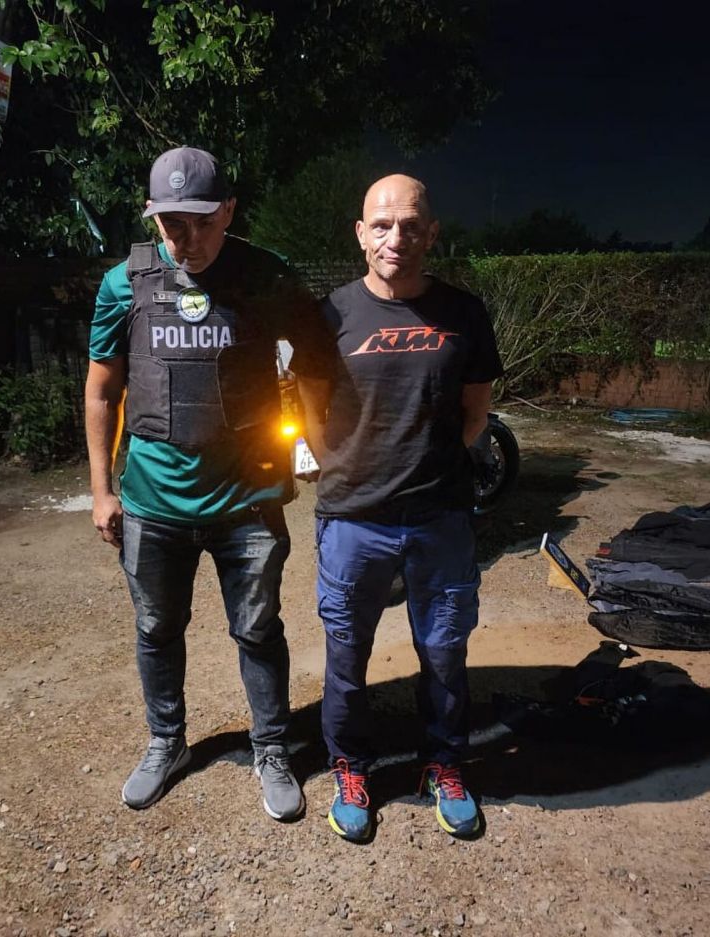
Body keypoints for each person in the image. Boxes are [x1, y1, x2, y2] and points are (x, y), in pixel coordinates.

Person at [85, 146, 335, 821]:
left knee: (257, 629)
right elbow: (102, 391)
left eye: (201, 221)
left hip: (246, 503)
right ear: (152, 216)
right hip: (152, 503)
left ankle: (272, 748)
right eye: (170, 223)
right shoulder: (124, 285)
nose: (186, 238)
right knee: (156, 627)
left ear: (228, 211)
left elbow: (318, 363)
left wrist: (327, 455)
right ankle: (166, 742)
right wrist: (102, 491)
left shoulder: (267, 277)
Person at [294, 174, 504, 842]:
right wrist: (346, 467)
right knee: (346, 657)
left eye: (410, 224)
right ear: (361, 234)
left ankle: (444, 764)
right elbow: (308, 407)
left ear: (431, 233)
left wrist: (426, 465)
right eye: (381, 225)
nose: (396, 238)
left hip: (440, 518)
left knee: (444, 654)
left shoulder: (464, 314)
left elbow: (476, 412)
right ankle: (351, 767)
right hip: (352, 520)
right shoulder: (329, 316)